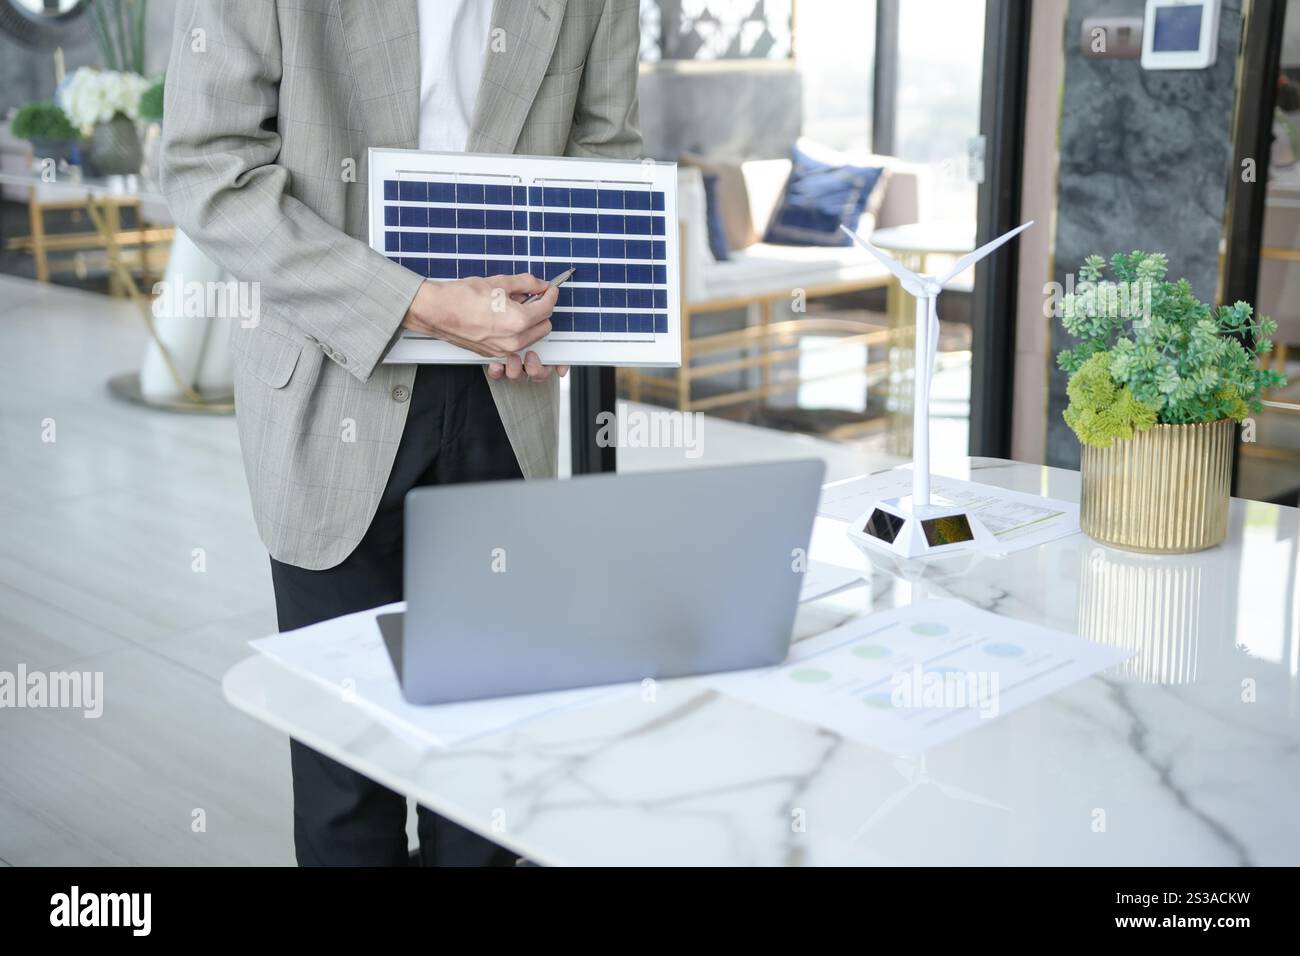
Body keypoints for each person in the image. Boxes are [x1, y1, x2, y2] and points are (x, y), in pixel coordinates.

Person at [160, 0, 641, 866]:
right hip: (324, 382)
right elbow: (209, 168)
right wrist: (418, 306)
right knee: (349, 780)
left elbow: (606, 151)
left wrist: (563, 313)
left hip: (507, 397)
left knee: (490, 774)